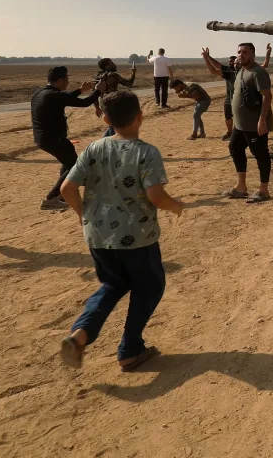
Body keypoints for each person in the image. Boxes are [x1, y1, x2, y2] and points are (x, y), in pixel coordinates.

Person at [57, 90, 183, 373]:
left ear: (105, 118)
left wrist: (84, 216)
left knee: (114, 285)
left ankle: (80, 334)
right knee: (149, 287)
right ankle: (130, 349)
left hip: (98, 236)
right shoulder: (146, 152)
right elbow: (155, 196)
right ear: (140, 116)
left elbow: (67, 188)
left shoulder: (93, 148)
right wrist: (175, 205)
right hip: (137, 238)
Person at [32, 66, 102, 211]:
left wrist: (81, 90)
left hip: (43, 138)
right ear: (60, 80)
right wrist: (98, 90)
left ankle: (61, 196)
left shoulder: (40, 93)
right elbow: (84, 103)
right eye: (67, 79)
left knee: (68, 163)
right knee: (75, 167)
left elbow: (65, 98)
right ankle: (50, 198)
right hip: (54, 139)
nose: (68, 82)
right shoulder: (54, 95)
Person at [226, 42, 273, 203]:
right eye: (239, 52)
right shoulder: (241, 71)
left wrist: (262, 120)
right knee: (234, 148)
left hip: (254, 125)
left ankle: (264, 190)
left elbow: (267, 96)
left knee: (260, 154)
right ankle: (241, 187)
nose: (241, 54)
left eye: (245, 52)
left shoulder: (258, 73)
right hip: (240, 125)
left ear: (253, 54)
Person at [202, 46, 272, 142]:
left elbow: (263, 66)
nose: (234, 64)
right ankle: (230, 132)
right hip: (229, 99)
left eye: (236, 63)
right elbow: (215, 68)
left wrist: (267, 54)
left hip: (243, 101)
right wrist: (206, 57)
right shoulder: (229, 72)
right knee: (228, 116)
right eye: (232, 63)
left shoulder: (247, 71)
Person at [93, 58, 136, 137]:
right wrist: (133, 73)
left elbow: (94, 93)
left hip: (102, 102)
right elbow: (129, 84)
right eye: (111, 63)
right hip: (112, 102)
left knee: (112, 123)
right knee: (114, 125)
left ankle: (104, 140)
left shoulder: (97, 76)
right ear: (106, 66)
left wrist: (97, 107)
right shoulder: (113, 75)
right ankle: (110, 144)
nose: (113, 64)